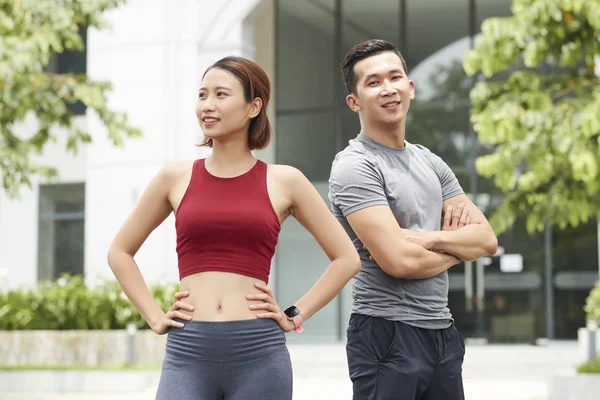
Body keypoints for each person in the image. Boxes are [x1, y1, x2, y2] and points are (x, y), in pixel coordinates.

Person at [107, 55, 360, 400]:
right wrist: (154, 317)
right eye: (202, 95)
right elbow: (120, 252)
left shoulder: (285, 181)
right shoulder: (174, 177)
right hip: (188, 353)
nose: (207, 106)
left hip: (259, 353)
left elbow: (347, 258)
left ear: (253, 106)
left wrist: (295, 314)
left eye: (221, 95)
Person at [328, 39, 499, 400]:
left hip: (442, 331)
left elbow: (486, 240)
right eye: (373, 82)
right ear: (354, 101)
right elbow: (400, 262)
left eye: (395, 77)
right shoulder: (355, 166)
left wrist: (426, 239)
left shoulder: (431, 162)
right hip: (386, 334)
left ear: (410, 88)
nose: (388, 88)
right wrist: (457, 247)